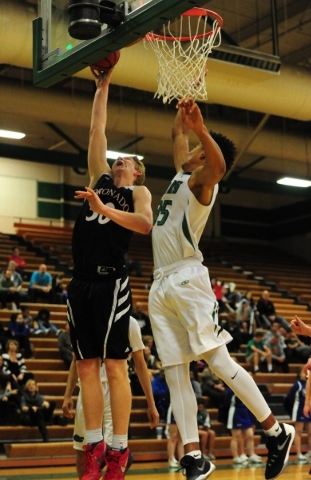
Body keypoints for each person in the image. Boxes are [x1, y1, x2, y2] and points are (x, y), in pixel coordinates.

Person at [148, 97, 295, 480]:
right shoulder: (183, 173)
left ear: (202, 155)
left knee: (218, 361)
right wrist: (184, 111)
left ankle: (276, 432)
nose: (191, 153)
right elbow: (176, 133)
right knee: (175, 371)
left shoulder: (202, 182)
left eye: (197, 150)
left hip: (186, 277)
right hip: (161, 281)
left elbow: (219, 165)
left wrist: (201, 130)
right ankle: (194, 458)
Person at [67, 67, 152, 480]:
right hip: (80, 281)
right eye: (120, 156)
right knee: (86, 367)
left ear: (137, 172)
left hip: (111, 282)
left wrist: (104, 210)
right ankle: (95, 445)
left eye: (130, 160)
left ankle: (119, 448)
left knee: (116, 366)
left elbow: (145, 225)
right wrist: (104, 84)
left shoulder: (137, 193)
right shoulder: (98, 177)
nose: (121, 159)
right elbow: (96, 129)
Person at [62, 317, 159, 479]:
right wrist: (67, 394)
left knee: (112, 452)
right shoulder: (84, 317)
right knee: (82, 452)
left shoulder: (130, 322)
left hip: (116, 391)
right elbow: (76, 360)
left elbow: (140, 364)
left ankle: (122, 461)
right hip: (88, 390)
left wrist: (151, 403)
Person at [284, 367, 311, 463]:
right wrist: (291, 411)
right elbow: (289, 399)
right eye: (304, 372)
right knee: (299, 432)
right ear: (300, 374)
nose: (306, 374)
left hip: (309, 411)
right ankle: (298, 453)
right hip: (299, 410)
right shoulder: (297, 385)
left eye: (307, 372)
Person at [165, 404, 184, 469]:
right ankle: (171, 459)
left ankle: (181, 458)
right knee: (173, 436)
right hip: (175, 407)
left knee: (182, 436)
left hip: (184, 408)